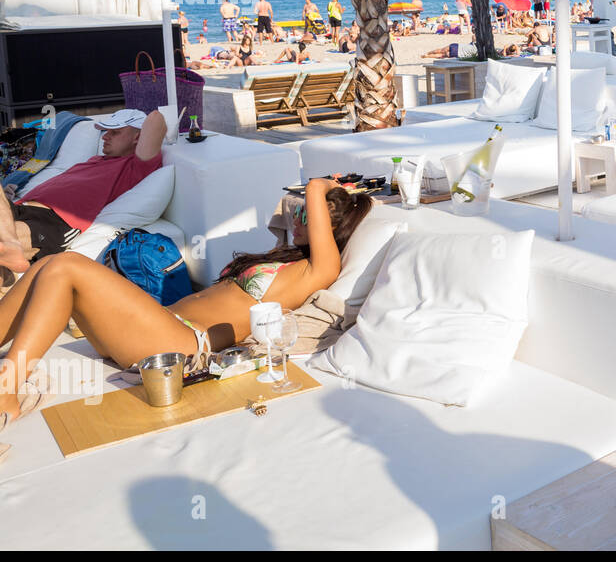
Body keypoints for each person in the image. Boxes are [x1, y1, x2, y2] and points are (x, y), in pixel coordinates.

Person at [0, 179, 372, 429]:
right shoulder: (283, 259)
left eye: (309, 215)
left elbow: (315, 207)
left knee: (66, 265)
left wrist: (320, 186)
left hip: (183, 345)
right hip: (154, 329)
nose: (298, 217)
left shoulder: (315, 271)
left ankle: (9, 391)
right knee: (50, 265)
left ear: (329, 229)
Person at [0, 109, 166, 273]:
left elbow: (156, 119)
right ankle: (8, 256)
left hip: (56, 221)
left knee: (8, 239)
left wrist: (138, 123)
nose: (105, 137)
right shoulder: (97, 160)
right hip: (21, 207)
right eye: (106, 131)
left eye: (115, 132)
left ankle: (10, 256)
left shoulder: (133, 167)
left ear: (137, 137)